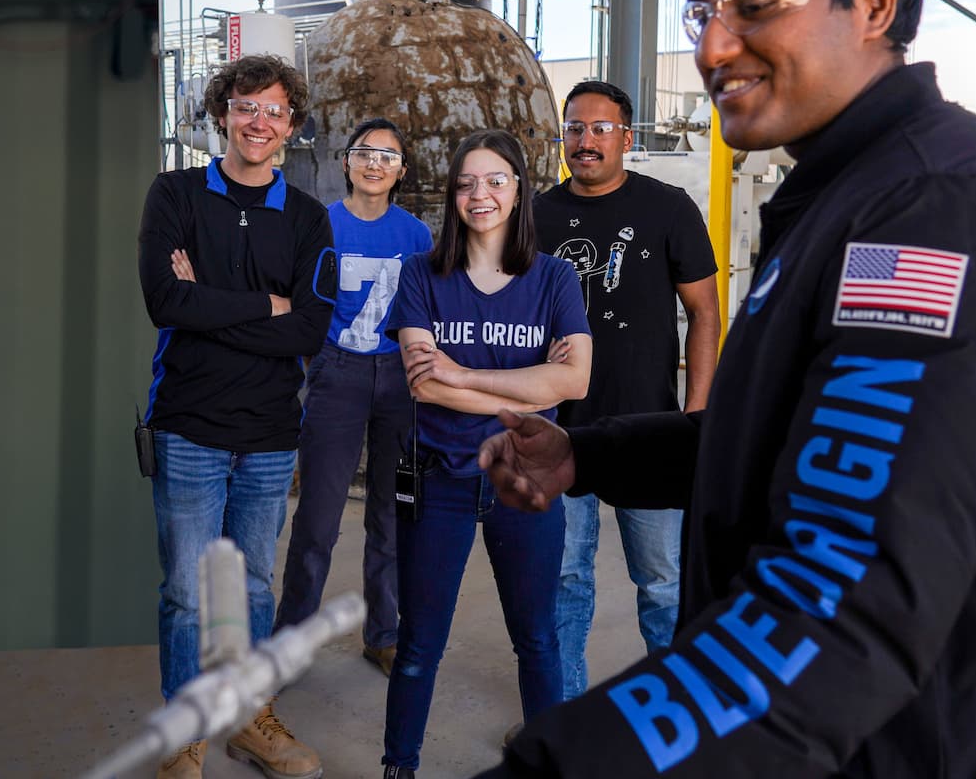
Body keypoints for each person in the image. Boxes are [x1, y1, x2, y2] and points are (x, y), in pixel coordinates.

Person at [475, 0, 976, 778]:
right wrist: (586, 454)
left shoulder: (945, 215)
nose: (715, 45)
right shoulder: (843, 198)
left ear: (874, 3)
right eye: (699, 12)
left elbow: (838, 599)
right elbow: (787, 439)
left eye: (753, 4)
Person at [137, 53, 335, 779]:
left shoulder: (309, 216)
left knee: (253, 584)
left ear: (292, 125)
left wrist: (210, 304)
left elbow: (310, 329)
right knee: (189, 592)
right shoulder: (176, 194)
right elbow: (166, 303)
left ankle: (250, 718)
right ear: (222, 113)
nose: (260, 122)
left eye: (275, 110)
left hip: (270, 432)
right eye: (246, 107)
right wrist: (264, 304)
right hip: (188, 423)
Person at [377, 129, 594, 779]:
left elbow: (575, 382)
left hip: (525, 482)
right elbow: (423, 382)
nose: (481, 194)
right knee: (418, 645)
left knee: (538, 643)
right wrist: (528, 383)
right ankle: (399, 767)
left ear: (519, 189)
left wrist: (464, 377)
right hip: (439, 480)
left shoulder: (554, 277)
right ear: (452, 195)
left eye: (496, 179)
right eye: (467, 182)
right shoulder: (423, 273)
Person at [536, 80, 720, 701]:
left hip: (651, 433)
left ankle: (673, 720)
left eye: (600, 129)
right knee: (563, 581)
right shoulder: (536, 215)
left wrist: (695, 418)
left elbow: (704, 314)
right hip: (561, 432)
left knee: (664, 584)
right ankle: (562, 718)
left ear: (626, 137)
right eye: (575, 129)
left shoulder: (668, 208)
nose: (585, 142)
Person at [274, 117, 432, 676]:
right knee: (318, 517)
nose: (374, 163)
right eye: (364, 152)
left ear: (401, 171)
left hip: (397, 375)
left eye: (388, 156)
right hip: (336, 373)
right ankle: (289, 644)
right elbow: (298, 301)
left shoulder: (416, 236)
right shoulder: (320, 224)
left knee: (391, 515)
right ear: (345, 161)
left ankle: (383, 634)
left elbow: (424, 309)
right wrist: (315, 363)